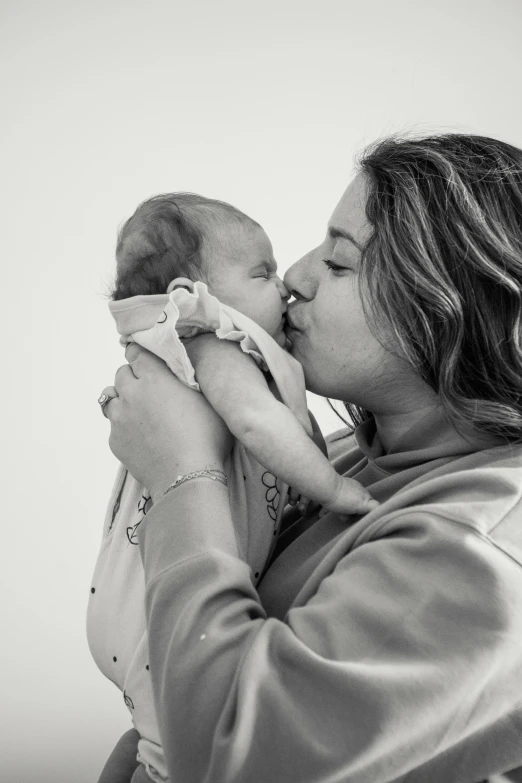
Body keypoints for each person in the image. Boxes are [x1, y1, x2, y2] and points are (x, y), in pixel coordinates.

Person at [100, 133, 522, 783]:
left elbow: (234, 764)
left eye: (340, 261)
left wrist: (184, 468)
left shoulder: (480, 548)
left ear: (455, 305)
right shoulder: (352, 458)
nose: (296, 277)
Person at [89, 194, 377, 783]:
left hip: (136, 605)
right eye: (263, 273)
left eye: (339, 263)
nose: (290, 280)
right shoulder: (212, 341)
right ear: (187, 294)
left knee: (155, 752)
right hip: (157, 615)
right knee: (169, 755)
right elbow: (256, 422)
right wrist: (334, 491)